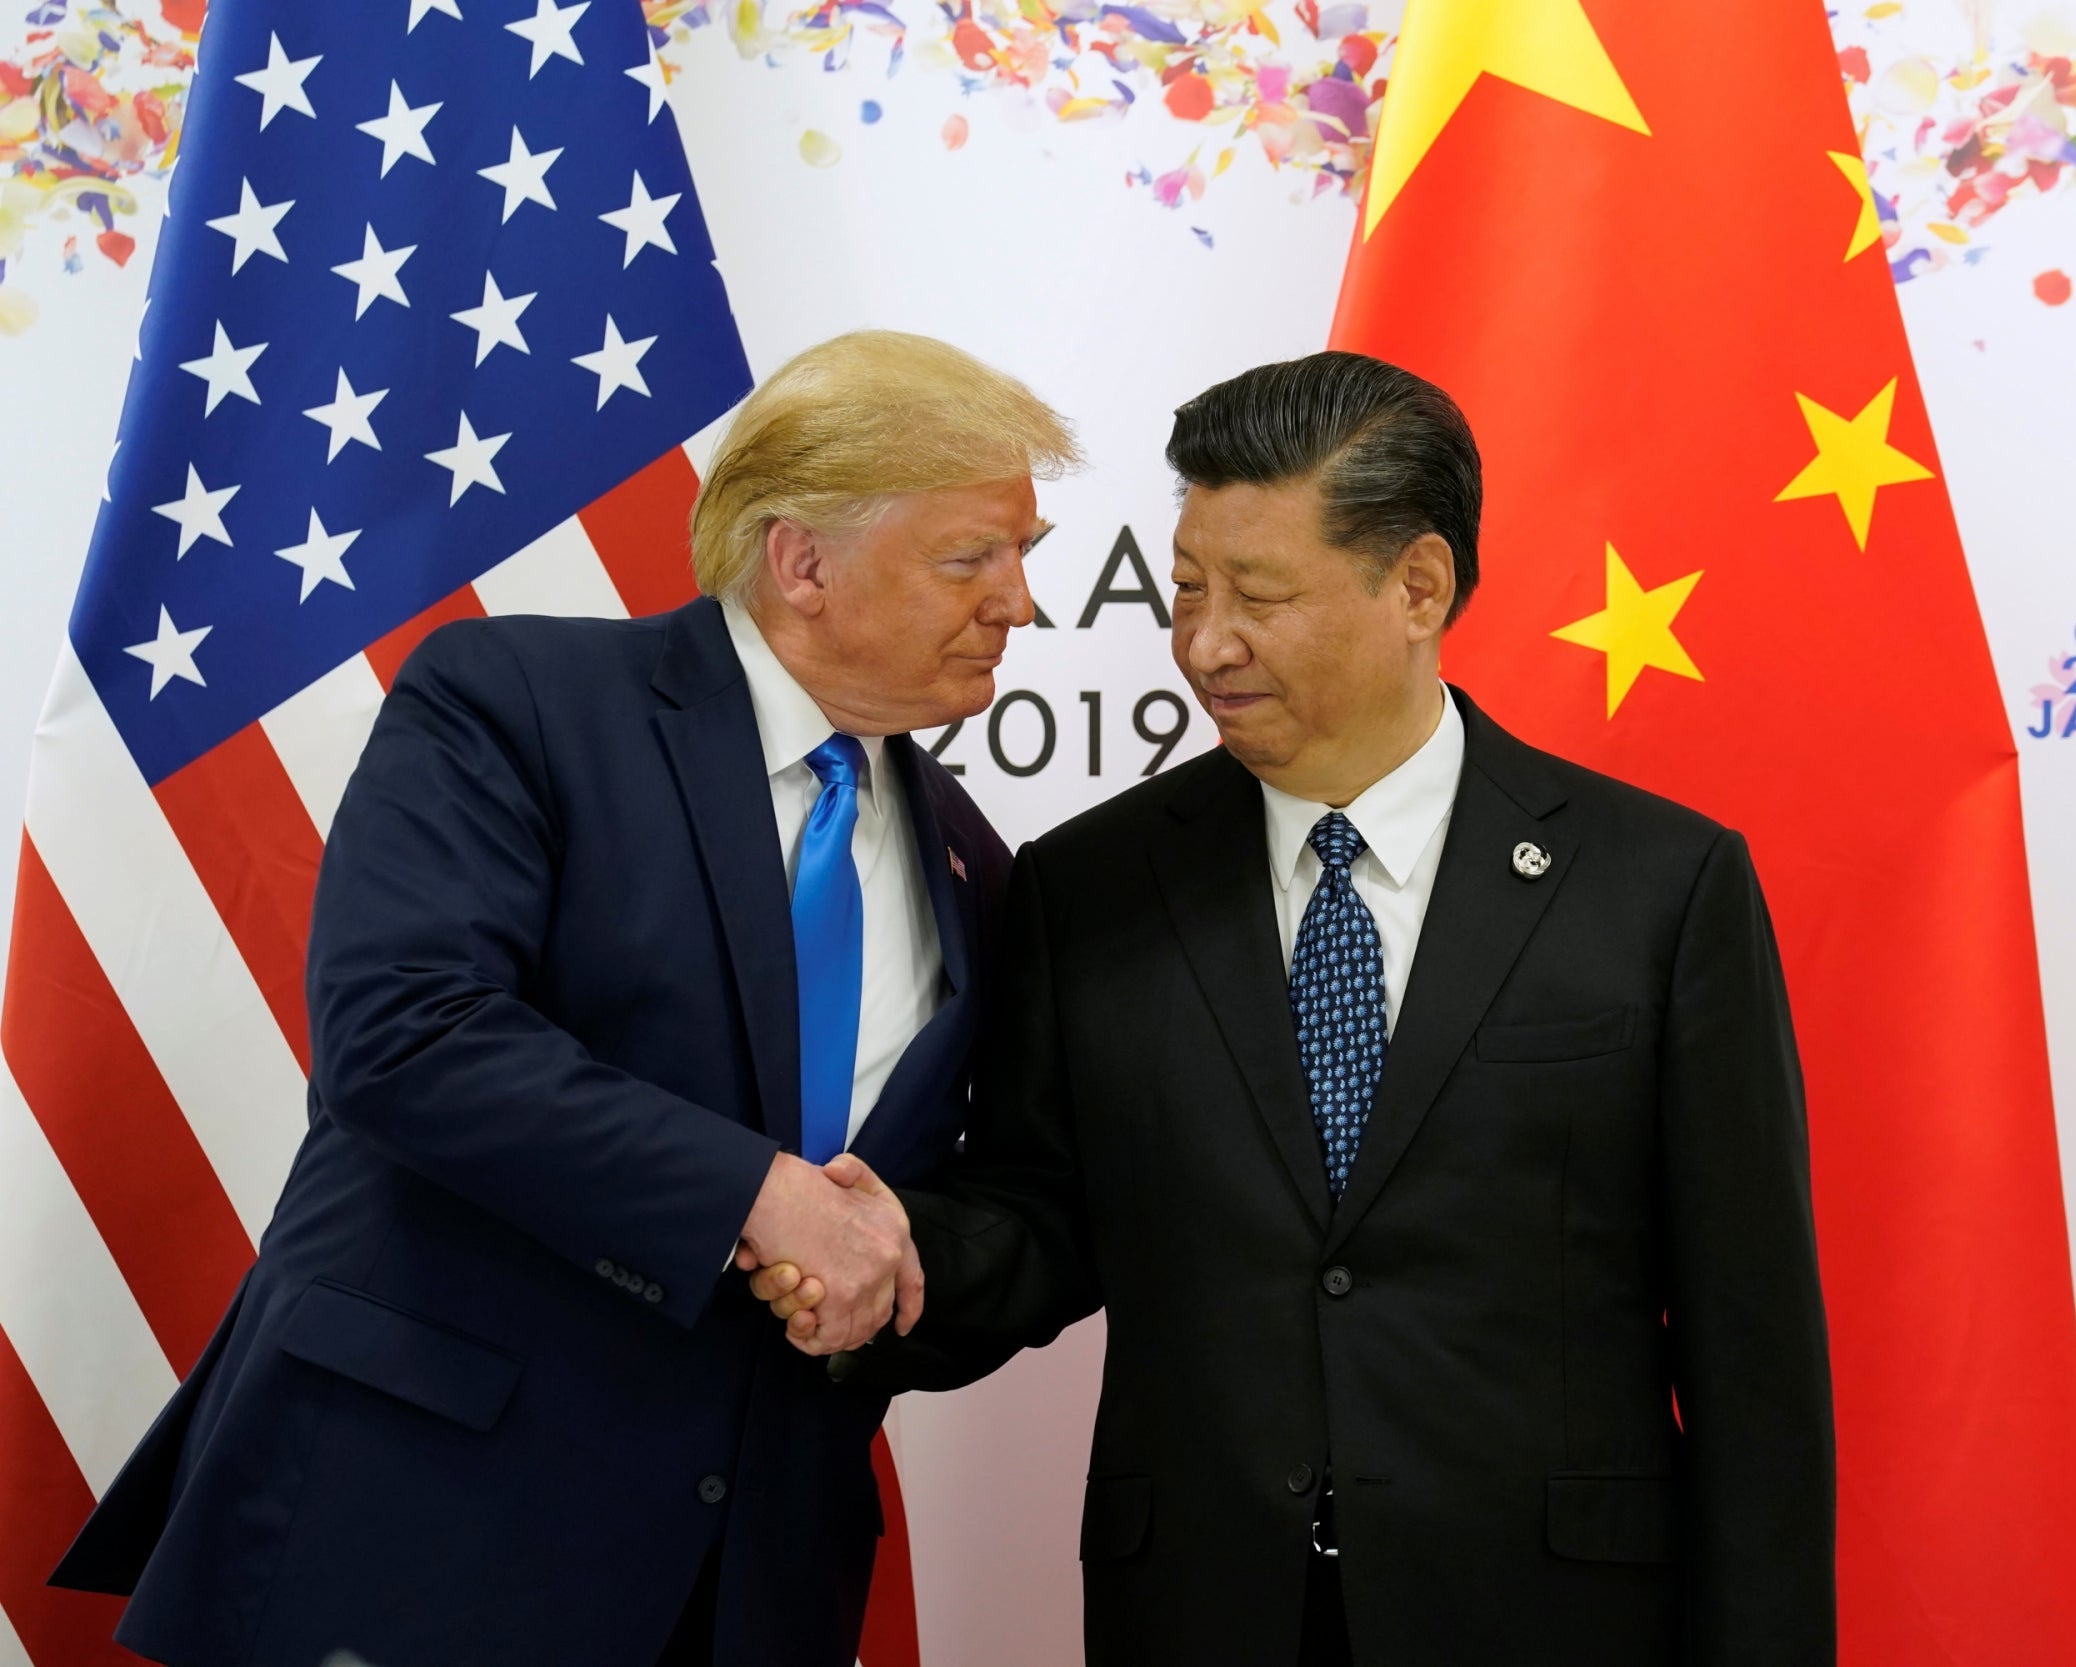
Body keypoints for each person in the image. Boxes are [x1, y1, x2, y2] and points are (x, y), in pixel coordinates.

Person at [767, 351, 1837, 1665]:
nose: (1206, 643)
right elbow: (1042, 1225)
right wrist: (891, 1260)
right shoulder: (1090, 887)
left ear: (1419, 587)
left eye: (1259, 596)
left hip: (1554, 1618)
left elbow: (1753, 1356)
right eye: (1190, 589)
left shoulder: (1660, 888)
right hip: (1208, 1613)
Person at [51, 331, 1078, 1667]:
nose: (1020, 604)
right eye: (970, 560)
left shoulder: (963, 854)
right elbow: (404, 1033)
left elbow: (990, 1196)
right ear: (802, 560)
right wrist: (757, 1199)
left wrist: (894, 1260)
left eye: (1025, 556)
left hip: (745, 1586)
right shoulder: (519, 702)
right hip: (424, 1534)